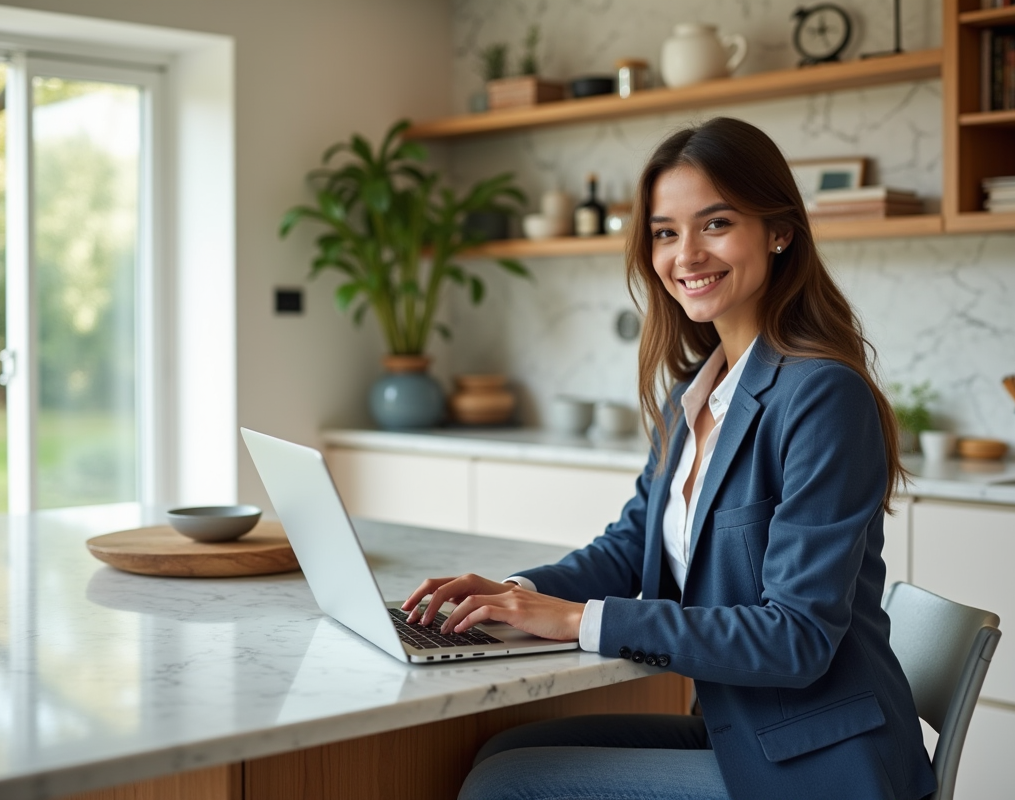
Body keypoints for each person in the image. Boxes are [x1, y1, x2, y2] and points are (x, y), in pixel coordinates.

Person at [401, 117, 937, 800]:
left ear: (779, 231)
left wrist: (575, 620)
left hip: (822, 763)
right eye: (664, 232)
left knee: (505, 784)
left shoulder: (822, 395)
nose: (686, 254)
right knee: (504, 749)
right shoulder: (698, 392)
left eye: (714, 224)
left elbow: (796, 637)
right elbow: (630, 548)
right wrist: (510, 594)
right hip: (743, 727)